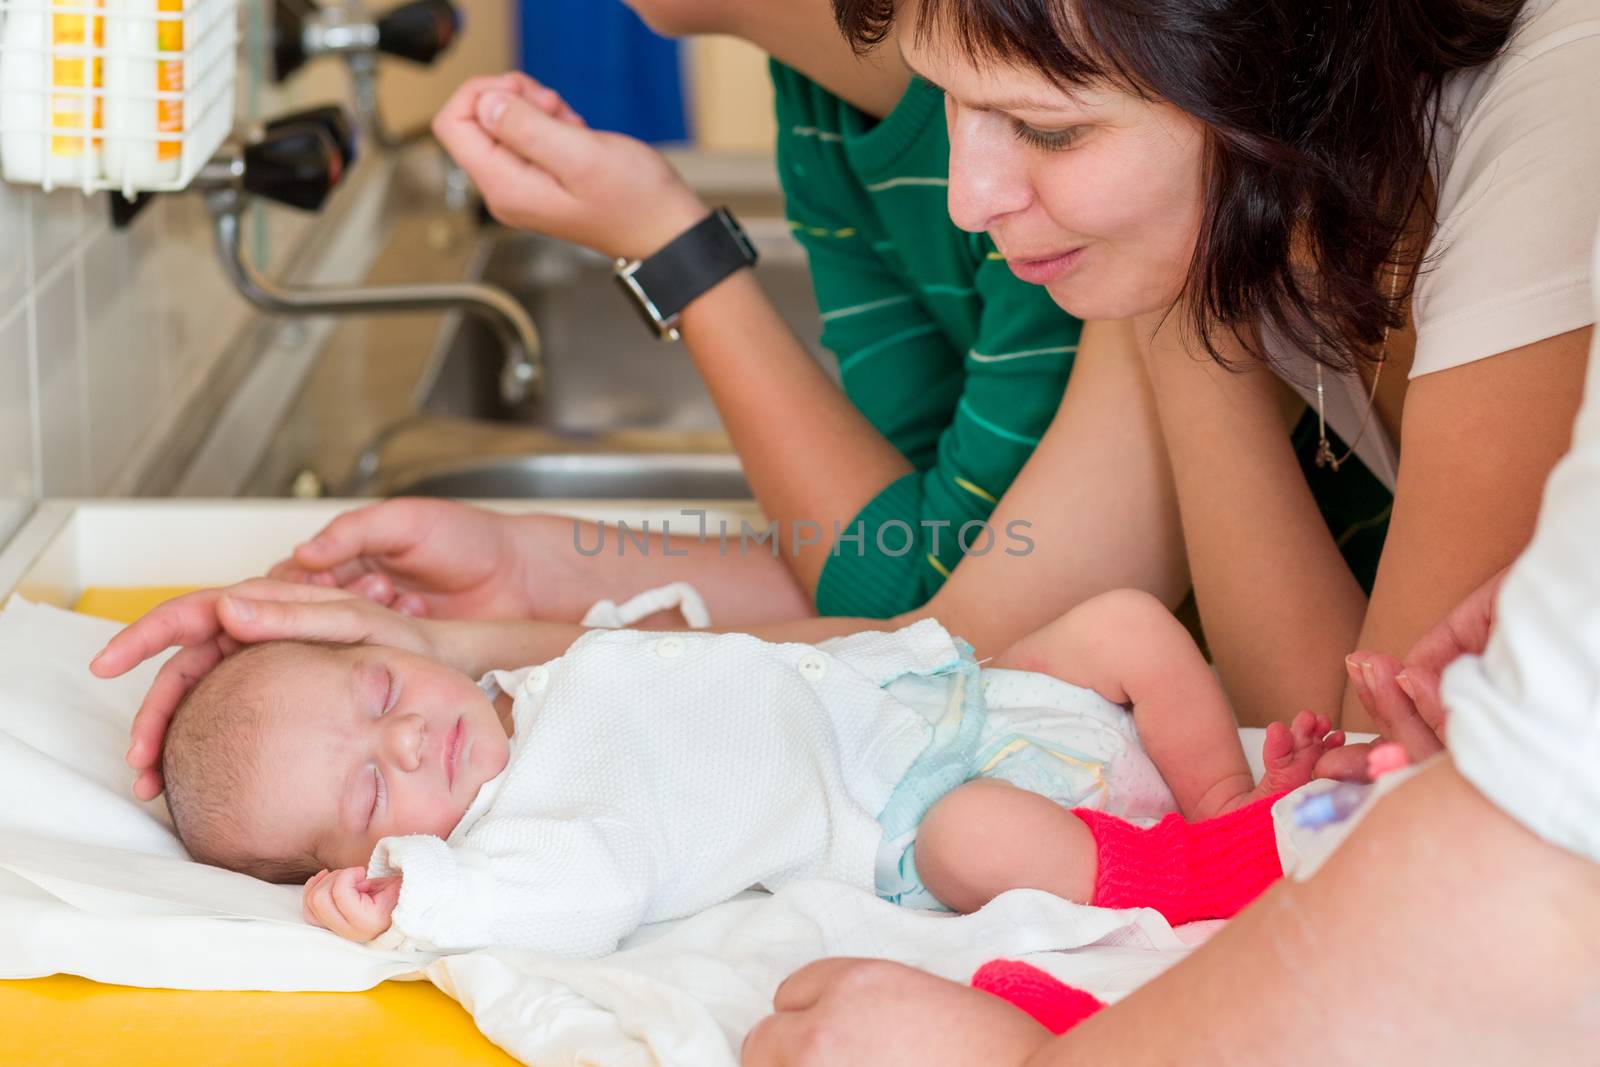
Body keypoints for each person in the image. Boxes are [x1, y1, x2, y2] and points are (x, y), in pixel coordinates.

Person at [147, 589, 1339, 955]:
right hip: (906, 805)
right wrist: (418, 892)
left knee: (1126, 622)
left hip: (936, 690)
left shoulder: (542, 682)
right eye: (372, 793)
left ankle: (1229, 799)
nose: (409, 738)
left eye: (380, 694)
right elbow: (583, 896)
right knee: (973, 836)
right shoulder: (533, 832)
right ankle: (1207, 872)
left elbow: (722, 654)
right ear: (375, 849)